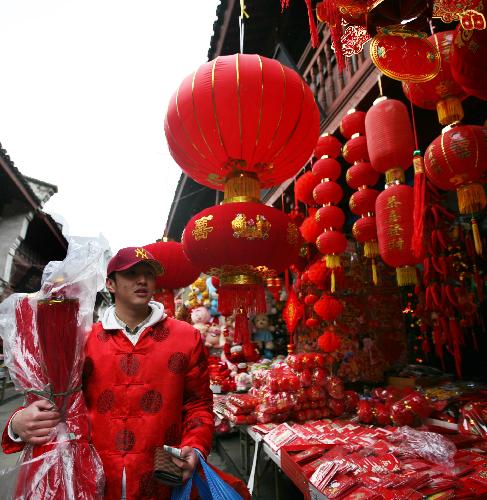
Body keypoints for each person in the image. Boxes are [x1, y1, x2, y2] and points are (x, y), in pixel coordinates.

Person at [2, 246, 214, 499]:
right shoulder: (83, 341)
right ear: (110, 284)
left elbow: (198, 404)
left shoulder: (186, 337)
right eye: (131, 273)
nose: (143, 280)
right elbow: (52, 400)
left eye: (149, 273)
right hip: (94, 477)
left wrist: (195, 446)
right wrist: (17, 423)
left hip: (163, 479)